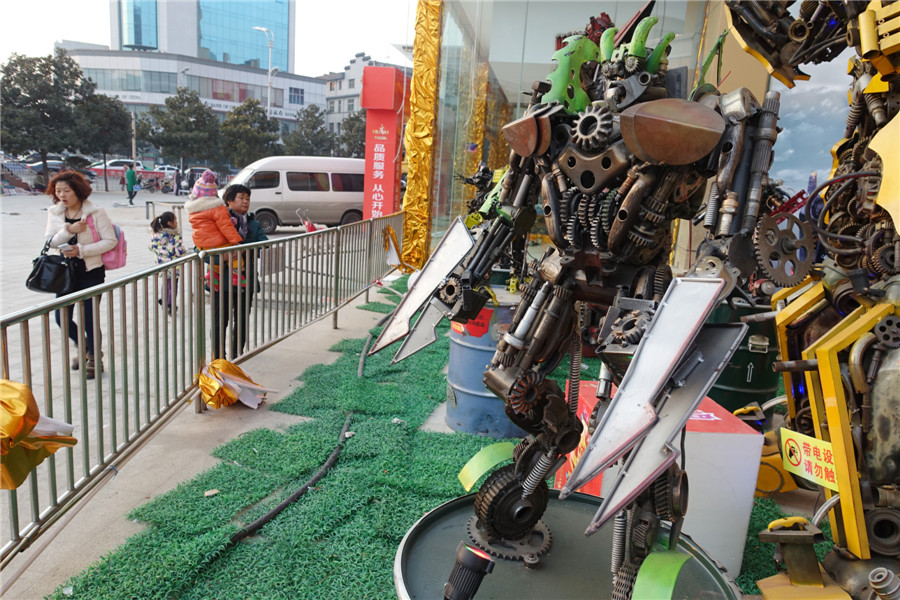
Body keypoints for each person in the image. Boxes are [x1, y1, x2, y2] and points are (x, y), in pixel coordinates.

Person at [43, 171, 116, 379]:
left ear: (78, 191)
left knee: (89, 318)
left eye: (67, 190)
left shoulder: (95, 212)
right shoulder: (55, 213)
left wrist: (80, 250)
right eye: (58, 191)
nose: (62, 195)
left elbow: (110, 241)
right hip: (65, 274)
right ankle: (85, 346)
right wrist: (69, 230)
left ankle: (94, 358)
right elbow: (50, 241)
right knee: (61, 318)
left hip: (90, 272)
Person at [211, 184, 268, 359]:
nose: (245, 201)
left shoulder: (254, 224)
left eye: (248, 198)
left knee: (242, 320)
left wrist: (245, 249)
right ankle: (218, 357)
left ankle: (237, 356)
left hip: (246, 281)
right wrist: (224, 256)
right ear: (228, 200)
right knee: (220, 321)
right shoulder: (218, 223)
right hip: (223, 283)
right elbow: (203, 252)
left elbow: (265, 244)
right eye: (241, 197)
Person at [184, 169, 243, 251]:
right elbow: (226, 226)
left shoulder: (193, 210)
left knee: (213, 263)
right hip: (217, 244)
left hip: (200, 245)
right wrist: (236, 241)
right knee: (237, 260)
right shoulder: (217, 209)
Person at [149, 211, 187, 312]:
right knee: (173, 285)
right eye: (175, 220)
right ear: (170, 223)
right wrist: (184, 251)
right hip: (173, 265)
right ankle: (170, 304)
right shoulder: (175, 237)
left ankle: (163, 299)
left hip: (161, 265)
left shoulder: (156, 235)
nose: (177, 222)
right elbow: (179, 251)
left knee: (165, 283)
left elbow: (152, 248)